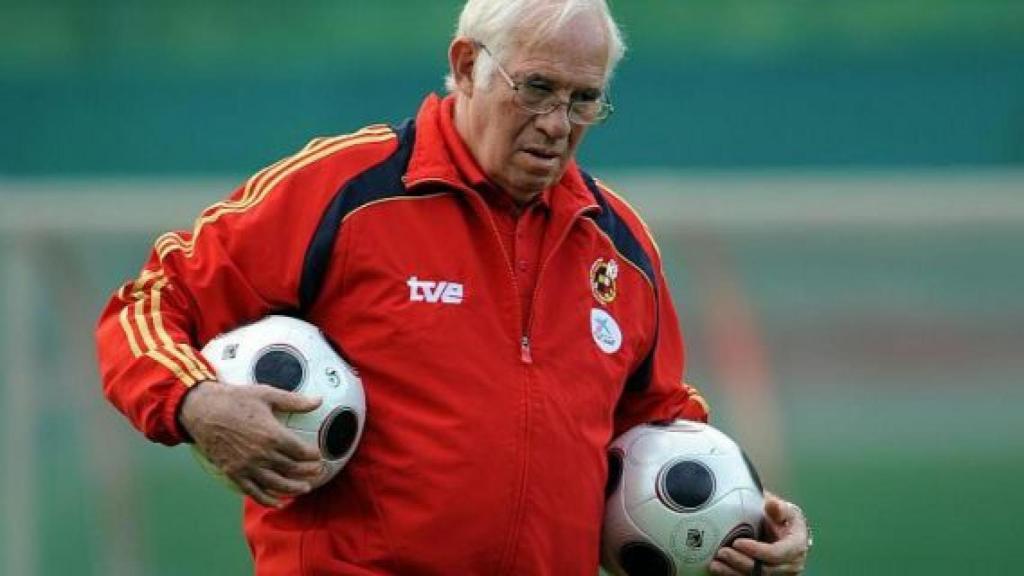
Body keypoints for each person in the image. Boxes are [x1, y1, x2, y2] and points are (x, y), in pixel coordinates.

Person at [95, 1, 811, 574]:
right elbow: (150, 303)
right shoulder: (346, 190)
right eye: (536, 88)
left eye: (585, 99)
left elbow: (655, 429)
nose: (558, 124)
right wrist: (196, 400)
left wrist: (738, 515)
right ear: (466, 66)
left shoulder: (619, 246)